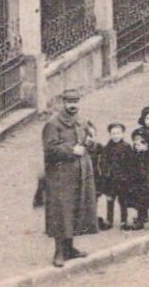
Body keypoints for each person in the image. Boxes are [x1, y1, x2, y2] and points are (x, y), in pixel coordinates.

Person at [41, 88, 98, 267]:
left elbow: (90, 140)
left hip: (81, 172)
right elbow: (49, 149)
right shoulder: (53, 124)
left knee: (76, 209)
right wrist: (71, 150)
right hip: (61, 175)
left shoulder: (82, 121)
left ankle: (70, 248)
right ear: (62, 103)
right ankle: (59, 252)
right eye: (69, 102)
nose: (73, 105)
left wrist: (90, 142)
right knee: (61, 211)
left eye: (75, 102)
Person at [93, 122, 134, 230]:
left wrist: (128, 175)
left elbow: (131, 163)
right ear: (110, 135)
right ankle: (109, 220)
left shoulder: (127, 147)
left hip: (123, 180)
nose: (115, 136)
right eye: (113, 133)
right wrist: (106, 172)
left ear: (123, 134)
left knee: (123, 201)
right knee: (110, 200)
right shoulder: (107, 148)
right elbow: (102, 162)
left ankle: (124, 221)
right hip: (110, 180)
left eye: (118, 133)